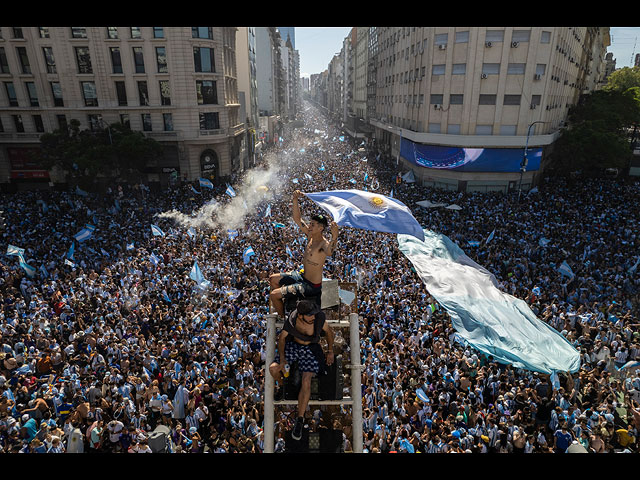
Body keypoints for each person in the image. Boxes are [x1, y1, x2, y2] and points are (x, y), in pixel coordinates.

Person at [269, 299, 335, 441]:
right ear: (301, 315)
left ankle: (300, 419)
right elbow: (282, 339)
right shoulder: (292, 320)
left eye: (314, 314)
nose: (313, 317)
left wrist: (330, 351)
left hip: (311, 348)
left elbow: (329, 332)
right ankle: (281, 386)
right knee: (273, 369)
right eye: (310, 315)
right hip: (294, 346)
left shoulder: (319, 319)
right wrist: (282, 359)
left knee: (307, 379)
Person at [269, 190, 339, 318]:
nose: (310, 226)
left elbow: (329, 252)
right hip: (301, 276)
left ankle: (282, 318)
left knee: (274, 295)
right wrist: (295, 199)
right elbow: (297, 219)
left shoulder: (323, 244)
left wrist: (335, 236)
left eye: (313, 224)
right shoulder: (310, 236)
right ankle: (285, 305)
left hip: (311, 285)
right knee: (272, 279)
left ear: (321, 228)